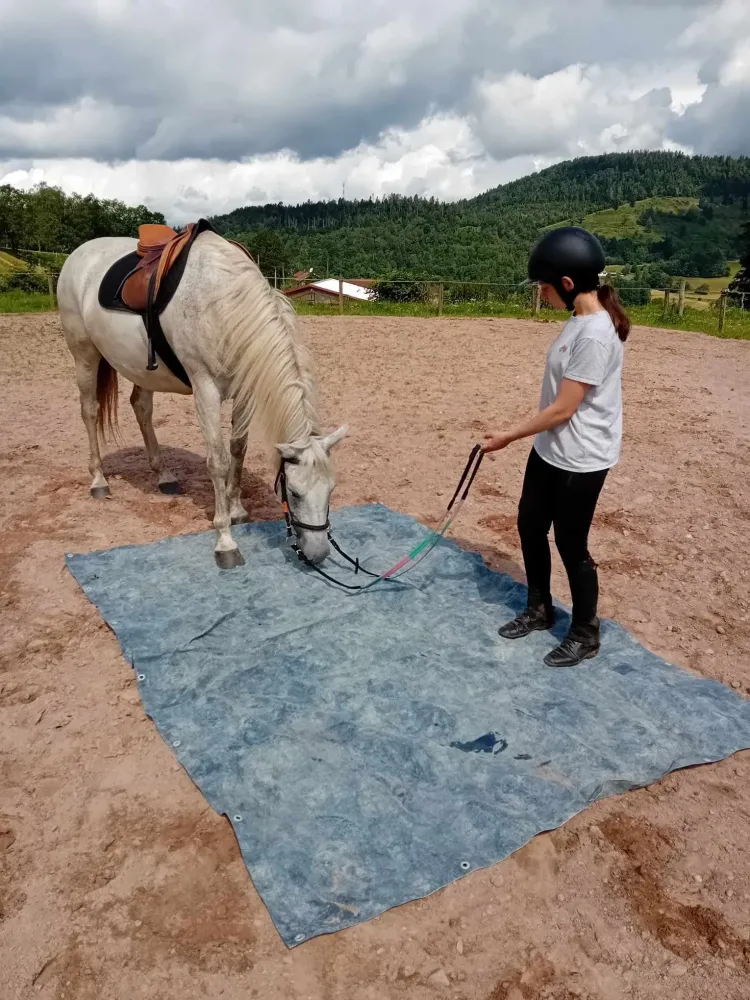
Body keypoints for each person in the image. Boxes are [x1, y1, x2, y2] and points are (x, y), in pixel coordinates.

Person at [481, 226, 630, 668]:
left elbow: (565, 408)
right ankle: (540, 608)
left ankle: (585, 631)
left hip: (581, 458)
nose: (541, 294)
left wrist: (507, 435)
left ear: (567, 285)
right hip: (551, 450)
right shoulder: (580, 319)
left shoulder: (595, 334)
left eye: (544, 286)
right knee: (529, 525)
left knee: (570, 543)